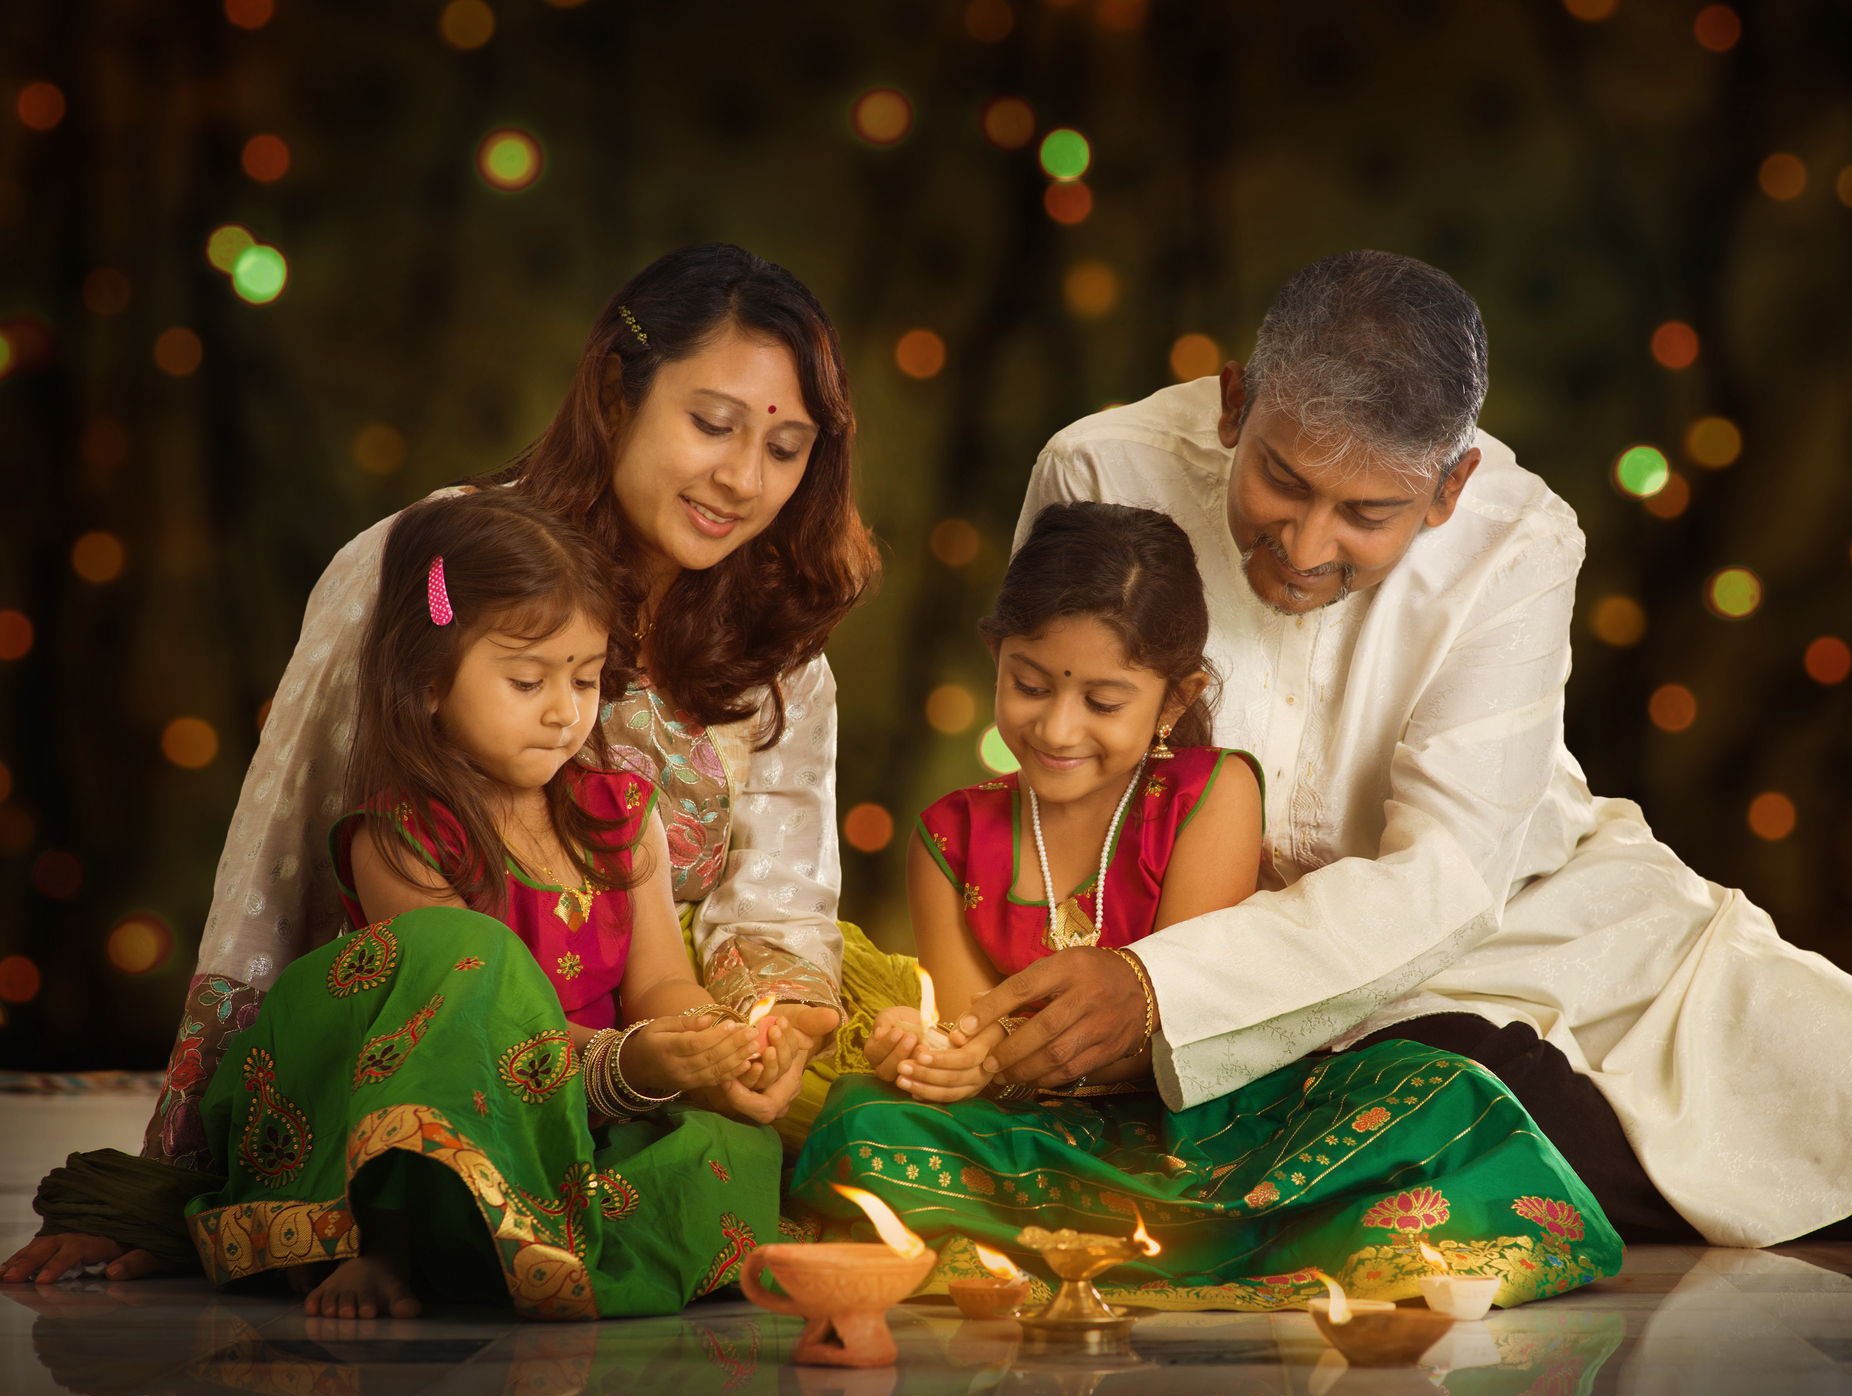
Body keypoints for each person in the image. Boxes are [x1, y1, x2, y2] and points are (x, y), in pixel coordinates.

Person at [949, 250, 1852, 1248]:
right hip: (1203, 942)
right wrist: (1135, 974)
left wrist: (1162, 990)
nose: (1303, 544)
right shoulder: (1100, 472)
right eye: (1282, 481)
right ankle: (1479, 1110)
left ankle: (1495, 1117)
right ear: (1236, 404)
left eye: (1366, 514)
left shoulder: (1521, 539)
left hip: (1513, 920)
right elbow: (1070, 762)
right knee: (1442, 1093)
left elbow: (1446, 875)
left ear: (1449, 489)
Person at [5, 244, 881, 1287]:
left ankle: (536, 1244)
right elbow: (272, 881)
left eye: (784, 447)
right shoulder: (425, 565)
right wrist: (170, 1181)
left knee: (869, 1095)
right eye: (713, 424)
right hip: (415, 1037)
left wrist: (758, 1040)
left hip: (630, 1046)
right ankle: (418, 1218)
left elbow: (775, 901)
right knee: (470, 969)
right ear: (616, 390)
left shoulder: (779, 643)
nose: (744, 479)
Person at [790, 502, 1621, 1310]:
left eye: (1102, 701)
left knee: (1444, 1092)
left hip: (1207, 1126)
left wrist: (997, 1050)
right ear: (995, 657)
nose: (1056, 727)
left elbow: (1182, 1015)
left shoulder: (1209, 792)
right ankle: (1201, 1242)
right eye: (1029, 684)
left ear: (1174, 698)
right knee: (862, 1120)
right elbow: (972, 1031)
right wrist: (932, 1053)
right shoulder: (949, 834)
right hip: (1032, 1137)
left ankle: (1078, 1244)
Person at [209, 489, 789, 1317]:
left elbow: (660, 982)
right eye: (526, 680)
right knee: (468, 960)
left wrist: (709, 1041)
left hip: (584, 1110)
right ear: (428, 681)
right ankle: (394, 1248)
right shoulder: (402, 836)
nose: (563, 711)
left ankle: (531, 1251)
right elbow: (469, 1029)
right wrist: (629, 1066)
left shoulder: (622, 815)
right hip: (459, 1116)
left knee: (735, 1144)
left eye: (584, 678)